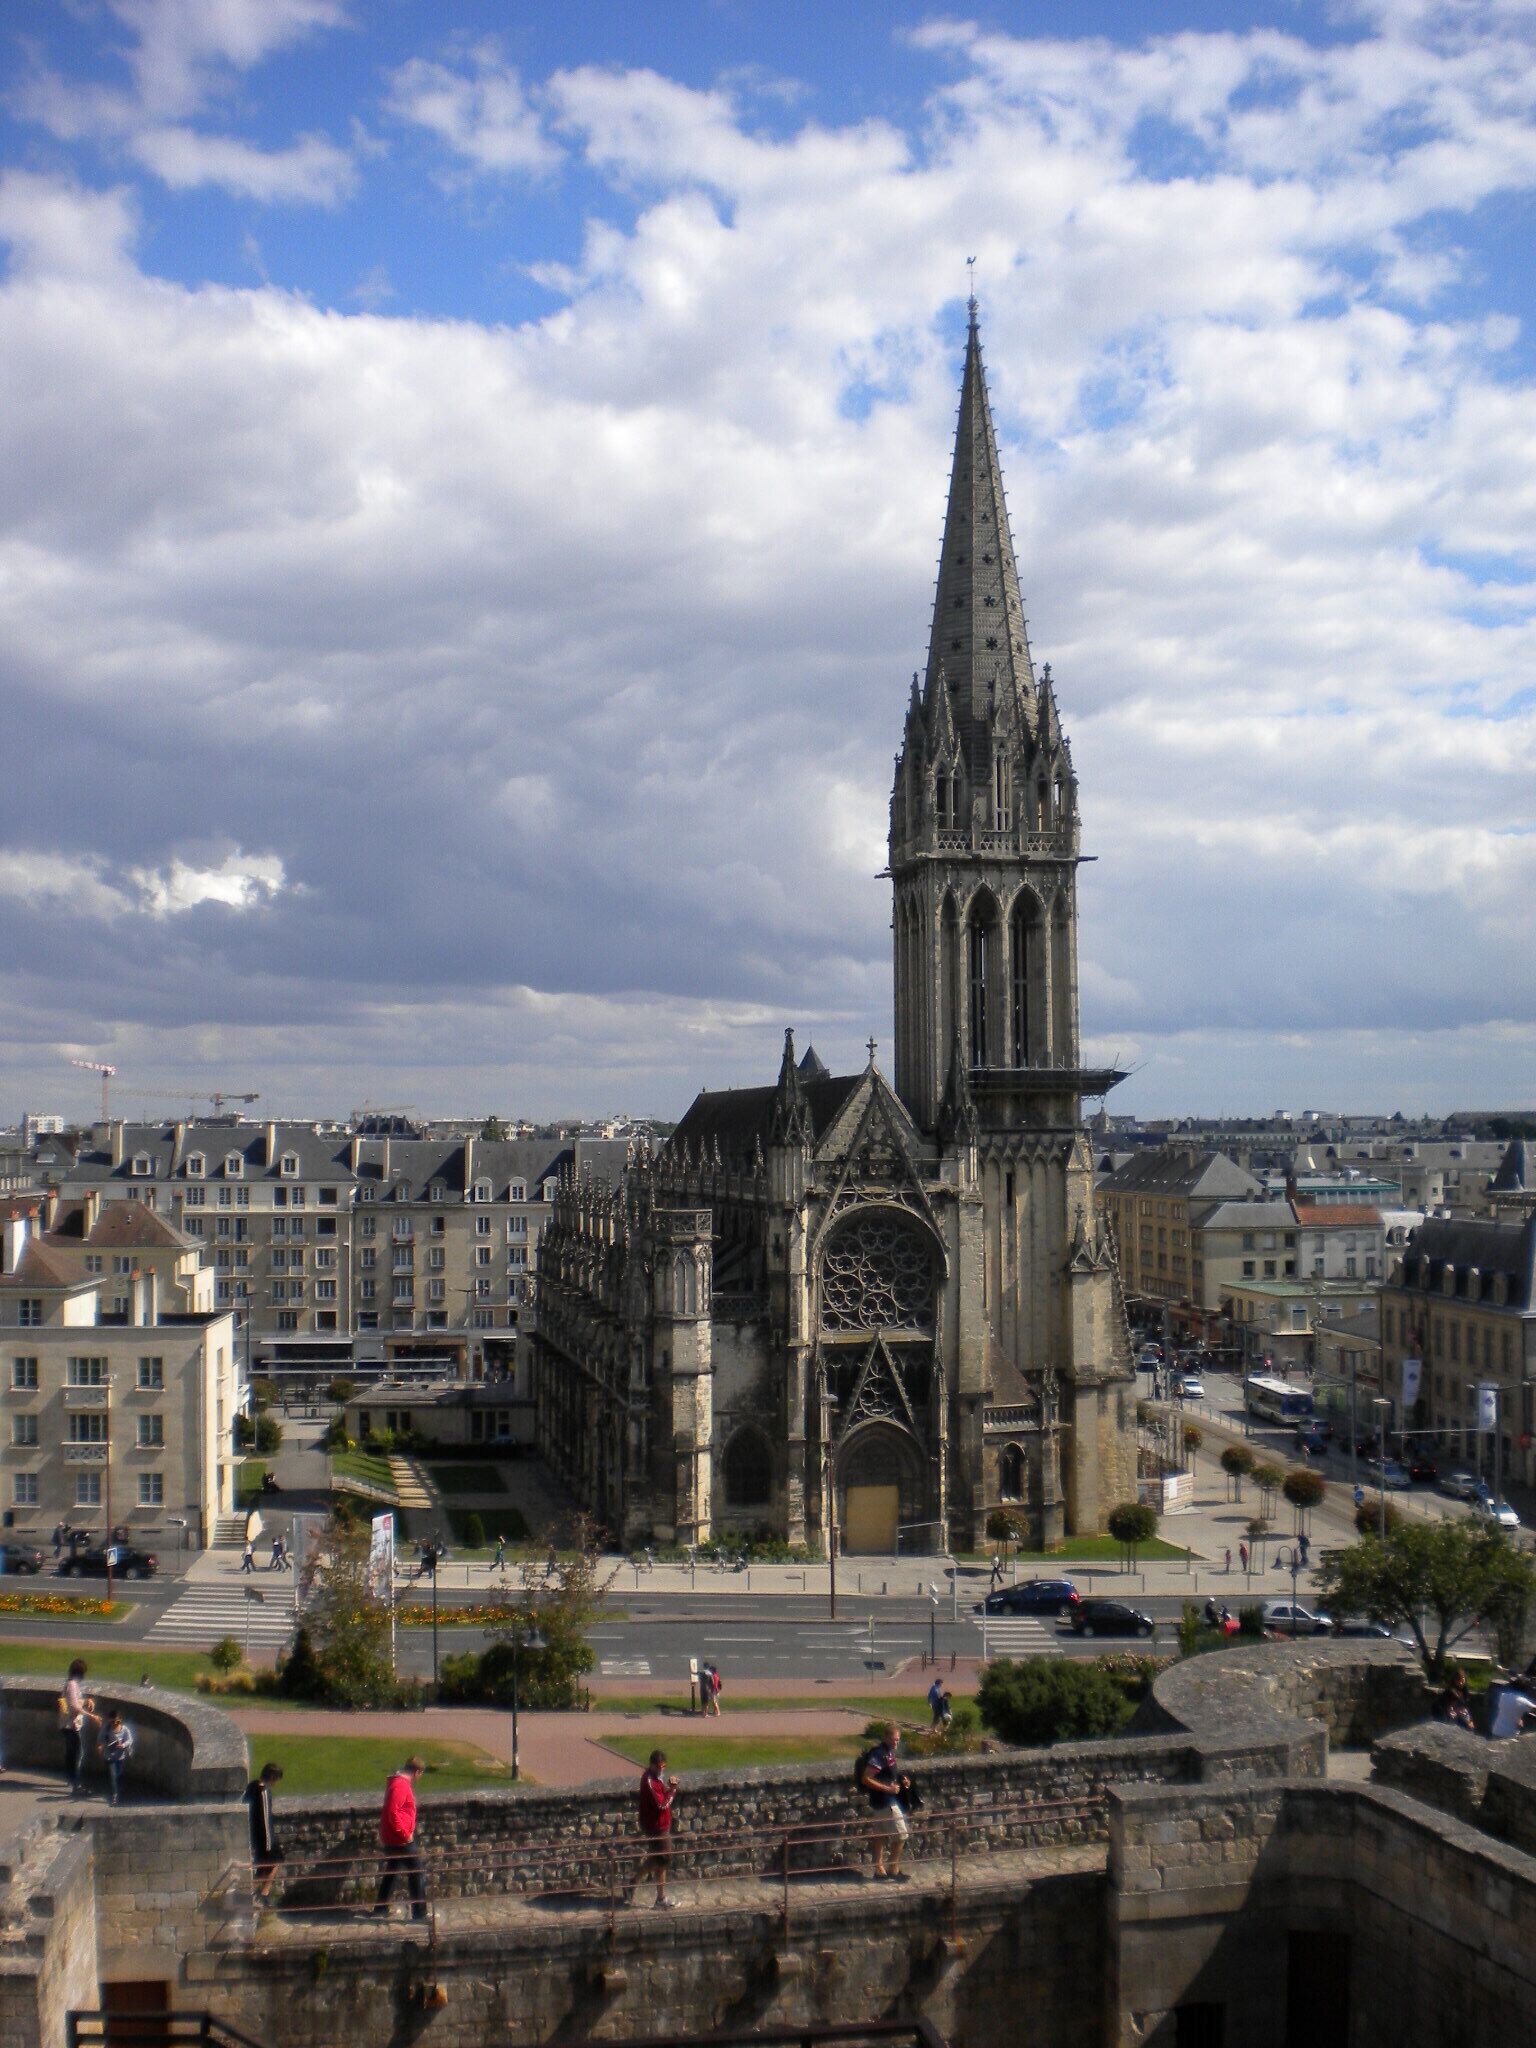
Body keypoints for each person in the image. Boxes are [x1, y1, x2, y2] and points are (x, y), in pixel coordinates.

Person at [373, 1757, 428, 1922]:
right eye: (420, 1774)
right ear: (417, 1772)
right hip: (400, 1839)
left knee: (392, 1870)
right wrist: (405, 1833)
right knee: (416, 1873)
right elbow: (393, 1812)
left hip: (393, 1837)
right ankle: (419, 1913)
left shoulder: (398, 1783)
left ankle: (380, 1909)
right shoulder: (400, 1786)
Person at [860, 1724, 912, 1882]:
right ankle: (893, 1868)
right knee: (902, 1834)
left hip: (881, 1801)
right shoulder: (879, 1754)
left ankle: (879, 1869)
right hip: (885, 1802)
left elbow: (888, 1775)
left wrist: (902, 1780)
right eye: (894, 1739)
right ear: (886, 1737)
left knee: (880, 1835)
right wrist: (887, 1789)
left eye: (898, 1740)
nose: (896, 1743)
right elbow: (866, 1778)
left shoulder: (888, 1753)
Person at [637, 1750, 679, 1909]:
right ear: (652, 1765)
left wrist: (668, 1788)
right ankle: (660, 1899)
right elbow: (662, 1805)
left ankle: (633, 1883)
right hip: (657, 1826)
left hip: (658, 1824)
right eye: (659, 1767)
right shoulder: (651, 1781)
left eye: (664, 1766)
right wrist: (673, 1789)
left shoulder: (654, 1778)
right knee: (662, 1861)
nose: (662, 1770)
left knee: (657, 1858)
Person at [244, 1762, 284, 1901]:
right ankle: (255, 1895)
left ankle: (261, 1893)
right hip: (264, 1839)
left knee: (266, 1866)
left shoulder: (251, 1787)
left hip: (254, 1836)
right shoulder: (263, 1792)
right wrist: (269, 1843)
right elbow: (265, 1820)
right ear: (272, 1777)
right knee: (267, 1867)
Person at [60, 1659, 97, 1797]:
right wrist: (92, 1716)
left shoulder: (71, 1684)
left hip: (68, 1724)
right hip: (71, 1725)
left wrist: (87, 1701)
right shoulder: (72, 1685)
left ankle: (72, 1781)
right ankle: (76, 1785)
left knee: (72, 1754)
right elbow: (74, 1707)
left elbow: (73, 1702)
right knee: (76, 1755)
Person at [100, 1710, 134, 1808]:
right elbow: (101, 1739)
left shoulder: (124, 1729)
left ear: (119, 1720)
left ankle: (119, 1792)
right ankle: (115, 1795)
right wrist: (102, 1746)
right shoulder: (106, 1728)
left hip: (120, 1756)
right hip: (110, 1756)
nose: (113, 1723)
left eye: (115, 1721)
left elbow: (130, 1740)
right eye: (111, 1721)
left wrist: (122, 1745)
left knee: (119, 1775)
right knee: (113, 1776)